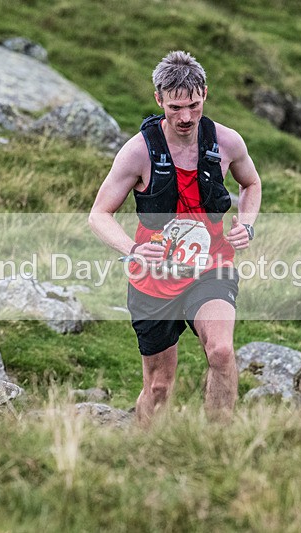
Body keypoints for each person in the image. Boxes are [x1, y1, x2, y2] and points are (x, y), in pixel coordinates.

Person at [89, 50, 262, 424]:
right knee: (159, 387)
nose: (186, 117)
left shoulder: (227, 143)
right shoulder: (138, 152)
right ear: (159, 100)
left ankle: (218, 444)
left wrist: (246, 224)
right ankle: (146, 447)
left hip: (211, 266)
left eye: (194, 106)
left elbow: (251, 183)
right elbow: (99, 214)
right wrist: (132, 250)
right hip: (154, 280)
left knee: (221, 352)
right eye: (176, 107)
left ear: (205, 95)